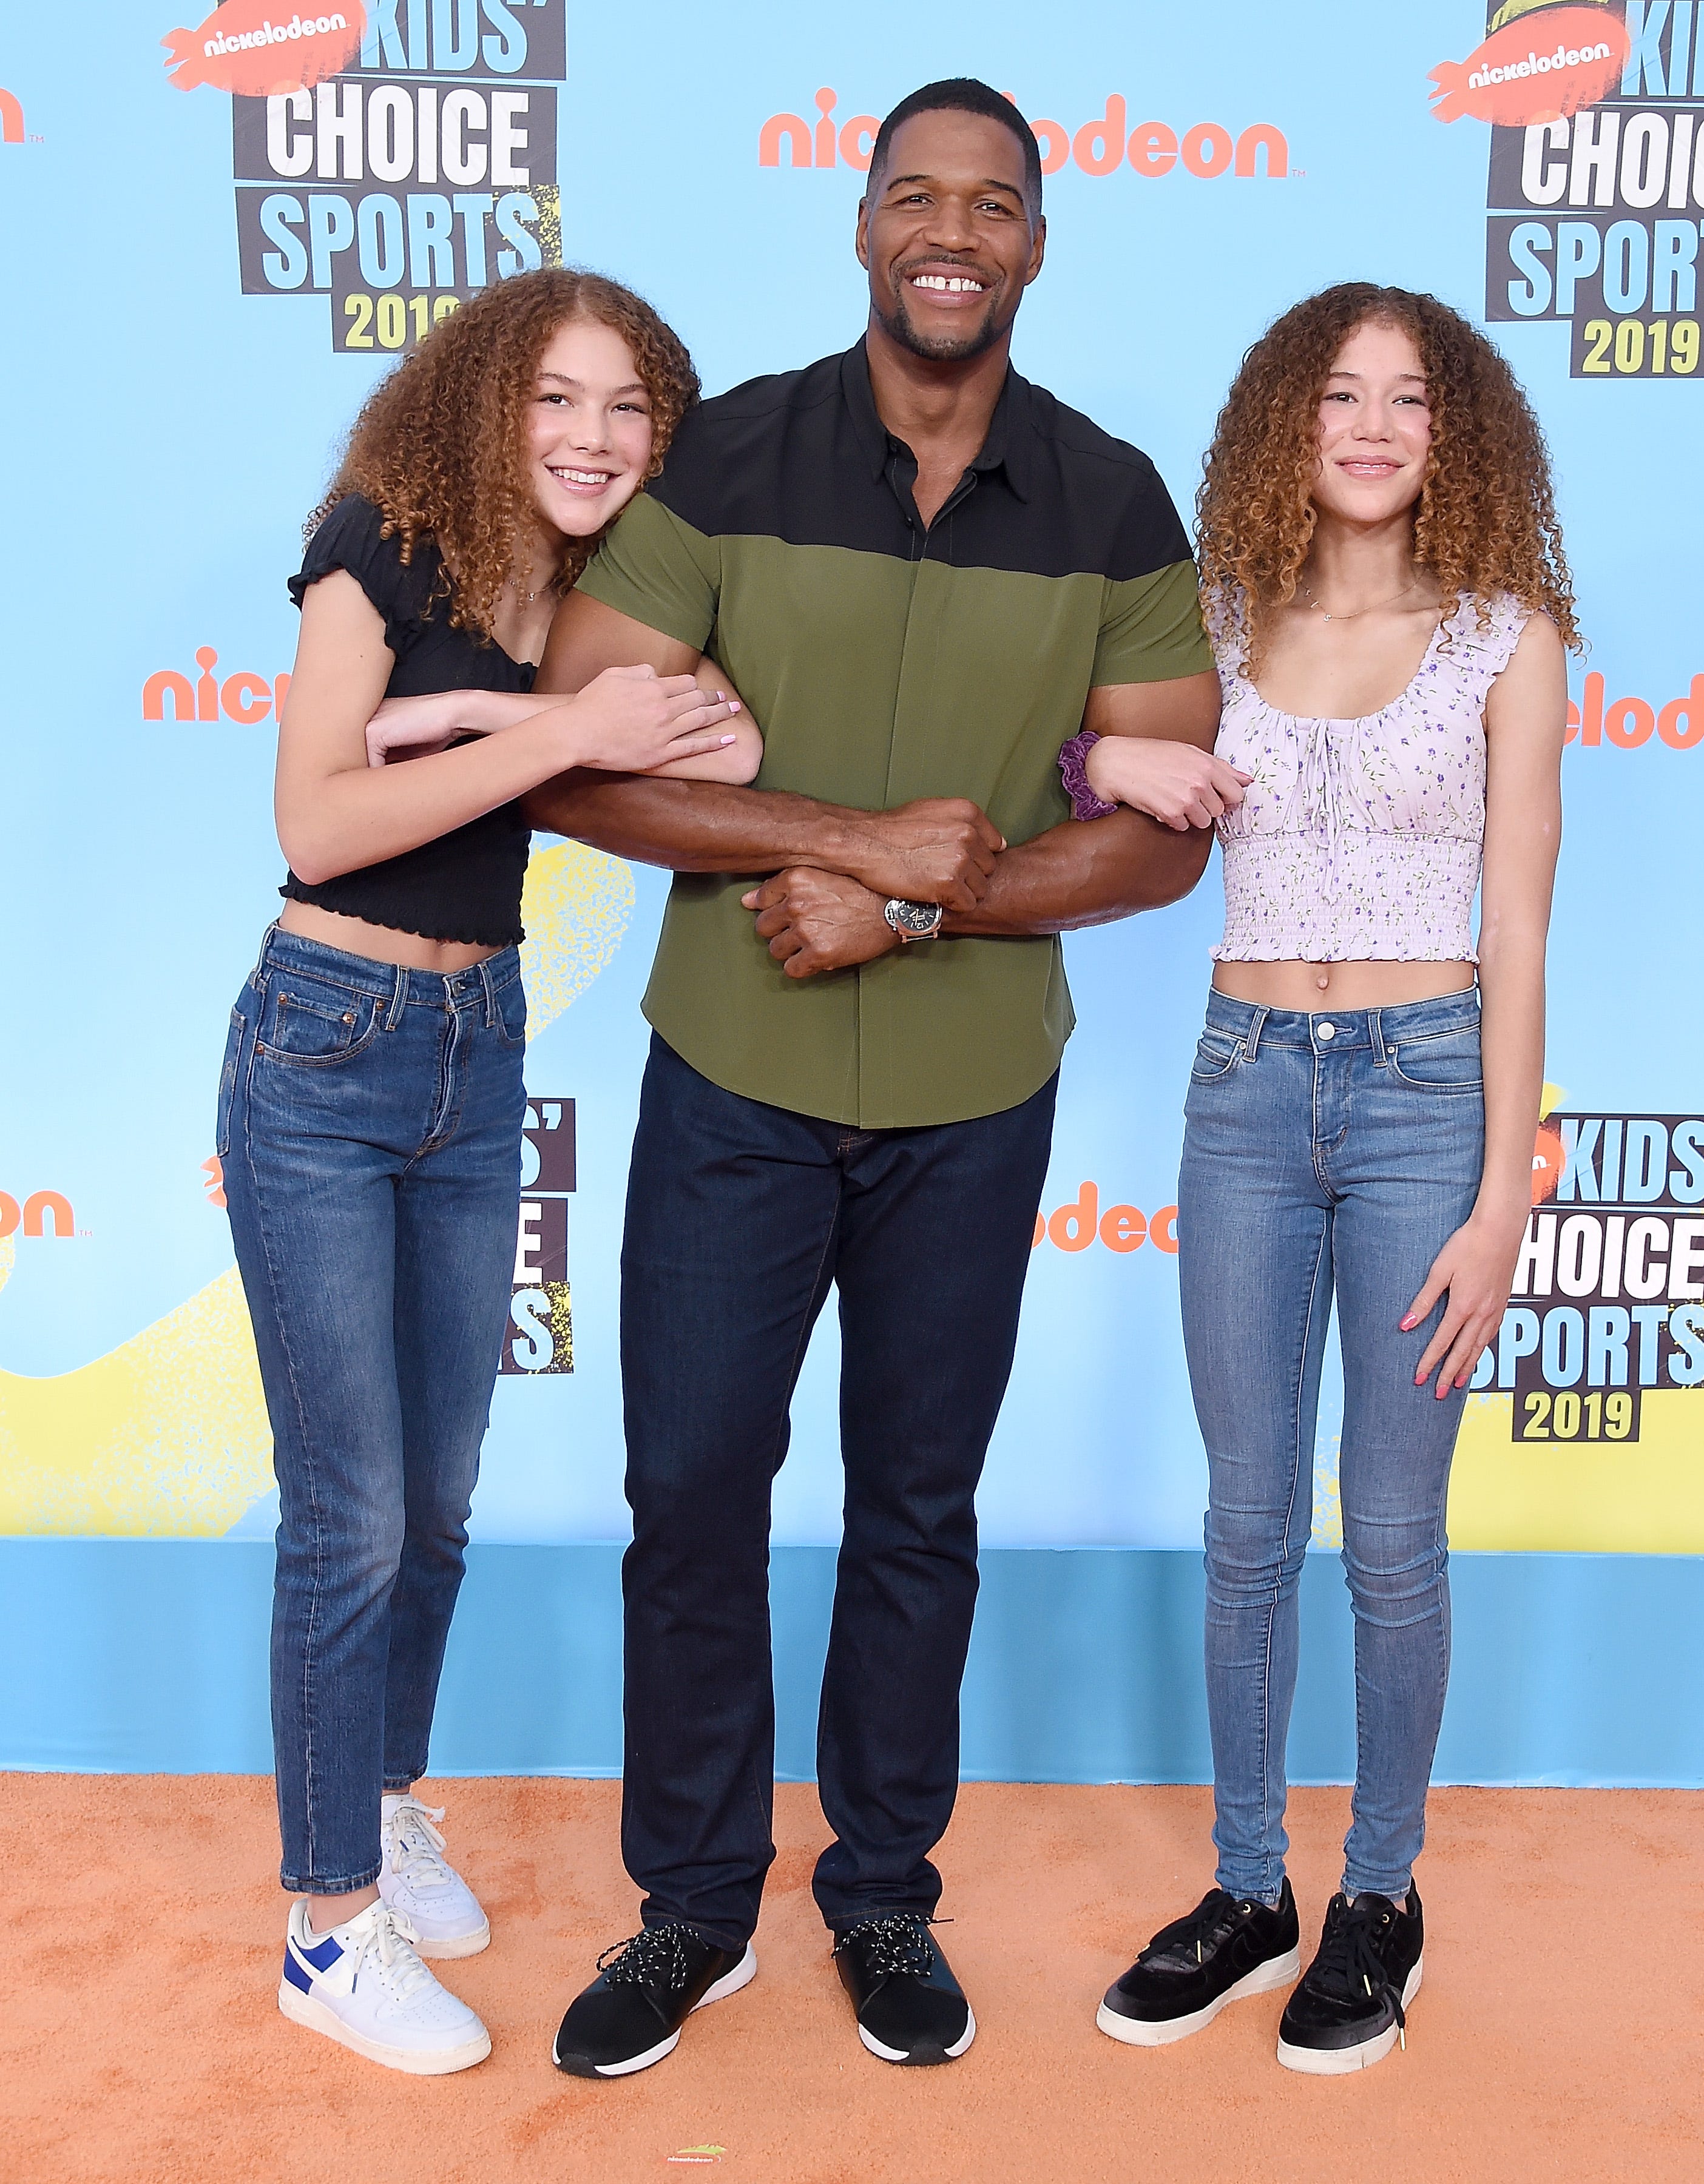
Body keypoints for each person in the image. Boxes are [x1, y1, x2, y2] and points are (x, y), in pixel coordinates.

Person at [524, 79, 1232, 2077]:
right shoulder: (728, 453)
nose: (951, 230)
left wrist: (924, 905)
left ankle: (881, 1900)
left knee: (919, 1510)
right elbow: (579, 757)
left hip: (970, 1101)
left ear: (1033, 240)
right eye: (913, 195)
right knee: (689, 1494)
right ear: (859, 225)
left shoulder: (1111, 499)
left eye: (990, 203)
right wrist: (852, 839)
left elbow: (1167, 833)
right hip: (730, 1078)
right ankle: (689, 1911)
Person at [218, 267, 760, 2077]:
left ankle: (376, 1802)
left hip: (479, 1047)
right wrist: (549, 736)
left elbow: (726, 745)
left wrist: (477, 730)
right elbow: (315, 819)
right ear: (484, 405)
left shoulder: (595, 596)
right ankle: (321, 1928)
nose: (596, 439)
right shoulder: (377, 539)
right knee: (350, 1511)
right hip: (324, 1040)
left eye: (630, 410)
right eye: (558, 401)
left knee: (438, 1500)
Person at [1086, 285, 1572, 2073]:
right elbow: (1095, 774)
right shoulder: (1215, 620)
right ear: (1289, 423)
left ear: (1458, 438)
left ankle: (1376, 1894)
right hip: (1239, 1084)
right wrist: (1090, 751)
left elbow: (1514, 929)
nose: (1371, 425)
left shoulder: (1509, 639)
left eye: (1410, 400)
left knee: (1388, 1529)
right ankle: (1245, 1887)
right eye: (1340, 394)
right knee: (1240, 1523)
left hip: (1422, 1091)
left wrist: (1503, 1198)